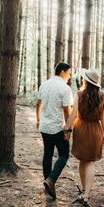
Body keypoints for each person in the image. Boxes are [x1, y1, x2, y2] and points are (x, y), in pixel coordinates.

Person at [64, 68, 104, 205]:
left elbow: (73, 114)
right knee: (90, 161)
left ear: (86, 80)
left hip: (81, 128)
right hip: (96, 130)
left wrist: (67, 128)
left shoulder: (79, 94)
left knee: (84, 160)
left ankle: (85, 192)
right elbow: (103, 118)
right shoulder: (103, 97)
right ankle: (85, 192)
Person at [36, 62, 73, 199]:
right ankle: (51, 180)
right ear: (63, 72)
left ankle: (48, 184)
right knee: (63, 154)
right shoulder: (65, 88)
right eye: (69, 73)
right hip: (58, 127)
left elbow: (38, 103)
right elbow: (66, 110)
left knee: (47, 154)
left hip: (45, 127)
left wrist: (38, 120)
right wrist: (68, 128)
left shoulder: (44, 84)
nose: (69, 76)